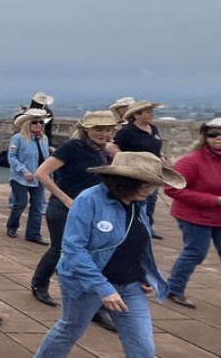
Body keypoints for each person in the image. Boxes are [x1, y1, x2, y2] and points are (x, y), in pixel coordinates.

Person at [34, 152, 185, 358]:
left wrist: (143, 274)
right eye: (146, 185)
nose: (150, 192)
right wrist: (103, 288)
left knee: (143, 348)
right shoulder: (88, 200)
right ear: (125, 182)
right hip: (87, 284)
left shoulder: (138, 203)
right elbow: (73, 250)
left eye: (153, 186)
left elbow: (136, 242)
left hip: (130, 286)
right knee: (69, 330)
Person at [31, 111, 120, 332]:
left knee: (92, 253)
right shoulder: (72, 147)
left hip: (92, 210)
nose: (104, 133)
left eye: (108, 129)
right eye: (99, 129)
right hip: (64, 208)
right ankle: (40, 284)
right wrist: (65, 199)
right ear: (86, 129)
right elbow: (41, 173)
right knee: (61, 249)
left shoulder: (102, 152)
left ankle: (95, 306)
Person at [162, 117, 221, 308]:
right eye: (213, 134)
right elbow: (172, 189)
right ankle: (174, 289)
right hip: (193, 216)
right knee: (196, 252)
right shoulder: (191, 161)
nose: (218, 138)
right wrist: (214, 200)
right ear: (205, 137)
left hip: (218, 216)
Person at [114, 100, 165, 239]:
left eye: (151, 112)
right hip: (135, 174)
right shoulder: (127, 131)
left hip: (153, 173)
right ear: (137, 115)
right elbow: (113, 147)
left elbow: (155, 146)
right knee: (137, 201)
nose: (151, 115)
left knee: (151, 201)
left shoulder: (153, 129)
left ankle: (147, 226)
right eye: (148, 112)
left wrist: (160, 156)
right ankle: (134, 228)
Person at [6, 109, 51, 242]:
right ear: (27, 124)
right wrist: (24, 170)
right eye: (35, 122)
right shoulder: (18, 138)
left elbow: (45, 157)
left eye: (41, 122)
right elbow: (12, 157)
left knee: (37, 206)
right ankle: (12, 226)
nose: (38, 125)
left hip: (38, 178)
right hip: (20, 178)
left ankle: (34, 234)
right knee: (21, 203)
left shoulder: (44, 139)